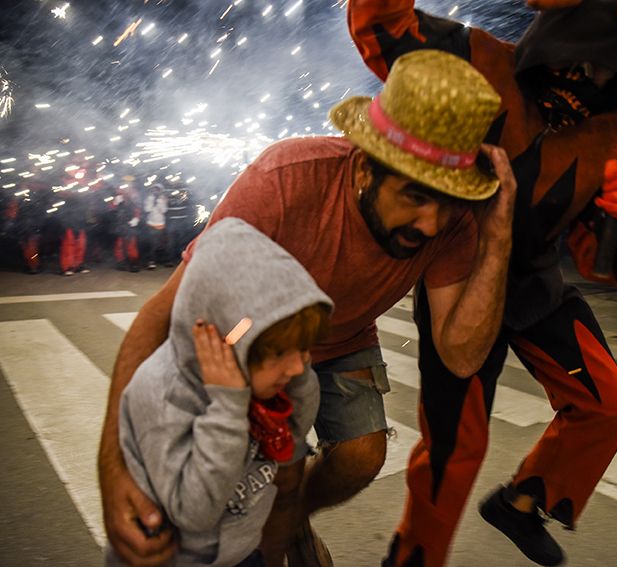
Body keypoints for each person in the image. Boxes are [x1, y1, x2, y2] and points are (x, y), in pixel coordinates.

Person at [99, 50, 517, 567]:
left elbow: (460, 356)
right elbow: (160, 316)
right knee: (265, 475)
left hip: (344, 336)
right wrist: (112, 472)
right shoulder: (283, 178)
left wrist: (497, 237)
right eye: (414, 196)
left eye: (447, 202)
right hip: (263, 340)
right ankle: (274, 528)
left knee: (361, 457)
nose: (431, 224)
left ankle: (290, 519)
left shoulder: (452, 225)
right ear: (365, 168)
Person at [349, 1, 617, 565]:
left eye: (608, 79)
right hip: (460, 279)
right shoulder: (479, 59)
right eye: (584, 67)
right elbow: (381, 26)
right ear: (559, 41)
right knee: (454, 444)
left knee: (609, 405)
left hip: (538, 286)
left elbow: (606, 265)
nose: (589, 87)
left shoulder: (615, 134)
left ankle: (521, 503)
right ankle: (414, 556)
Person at [105, 219, 333, 567]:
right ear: (224, 339)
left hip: (242, 551)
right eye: (278, 354)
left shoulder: (267, 376)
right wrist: (228, 407)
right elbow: (193, 512)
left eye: (303, 349)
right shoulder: (163, 396)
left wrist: (297, 378)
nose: (297, 368)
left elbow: (287, 452)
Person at [113, 184, 142, 272]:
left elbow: (137, 211)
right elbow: (112, 209)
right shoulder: (119, 199)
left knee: (131, 244)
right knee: (120, 245)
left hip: (130, 225)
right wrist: (115, 202)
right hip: (121, 224)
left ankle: (133, 263)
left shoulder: (133, 200)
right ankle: (121, 262)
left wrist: (134, 220)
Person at [143, 184, 169, 269]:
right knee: (152, 244)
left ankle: (163, 260)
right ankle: (151, 261)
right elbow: (147, 209)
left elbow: (164, 210)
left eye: (158, 190)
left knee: (162, 244)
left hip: (161, 224)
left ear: (161, 191)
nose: (156, 191)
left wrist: (160, 202)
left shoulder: (163, 199)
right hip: (151, 224)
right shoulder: (149, 198)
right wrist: (152, 201)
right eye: (154, 190)